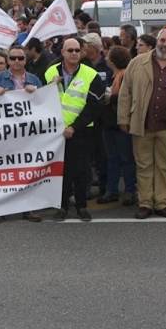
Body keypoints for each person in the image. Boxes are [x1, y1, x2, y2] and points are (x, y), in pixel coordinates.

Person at [117, 29, 166, 220]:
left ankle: (162, 203)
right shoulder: (137, 62)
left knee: (164, 166)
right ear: (157, 41)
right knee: (144, 166)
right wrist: (123, 118)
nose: (165, 45)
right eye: (163, 40)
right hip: (142, 124)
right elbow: (125, 93)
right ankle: (145, 203)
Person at [44, 38, 103, 222]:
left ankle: (81, 206)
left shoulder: (91, 74)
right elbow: (40, 100)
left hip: (81, 131)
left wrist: (73, 127)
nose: (74, 53)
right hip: (56, 132)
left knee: (80, 170)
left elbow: (94, 107)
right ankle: (62, 206)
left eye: (77, 50)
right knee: (61, 171)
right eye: (70, 50)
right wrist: (50, 86)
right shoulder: (49, 72)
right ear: (62, 52)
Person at [0, 45, 42, 223]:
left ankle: (29, 208)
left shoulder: (34, 79)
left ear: (25, 60)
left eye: (20, 58)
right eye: (13, 58)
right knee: (4, 171)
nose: (16, 61)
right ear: (8, 61)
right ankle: (0, 209)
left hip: (28, 134)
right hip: (5, 133)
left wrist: (36, 93)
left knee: (27, 171)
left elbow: (44, 104)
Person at [97, 46, 137, 207]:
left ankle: (129, 191)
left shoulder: (125, 75)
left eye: (107, 56)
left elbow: (127, 96)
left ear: (113, 60)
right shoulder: (111, 75)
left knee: (126, 158)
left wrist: (111, 98)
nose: (105, 58)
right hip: (109, 123)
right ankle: (112, 189)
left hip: (121, 122)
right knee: (112, 158)